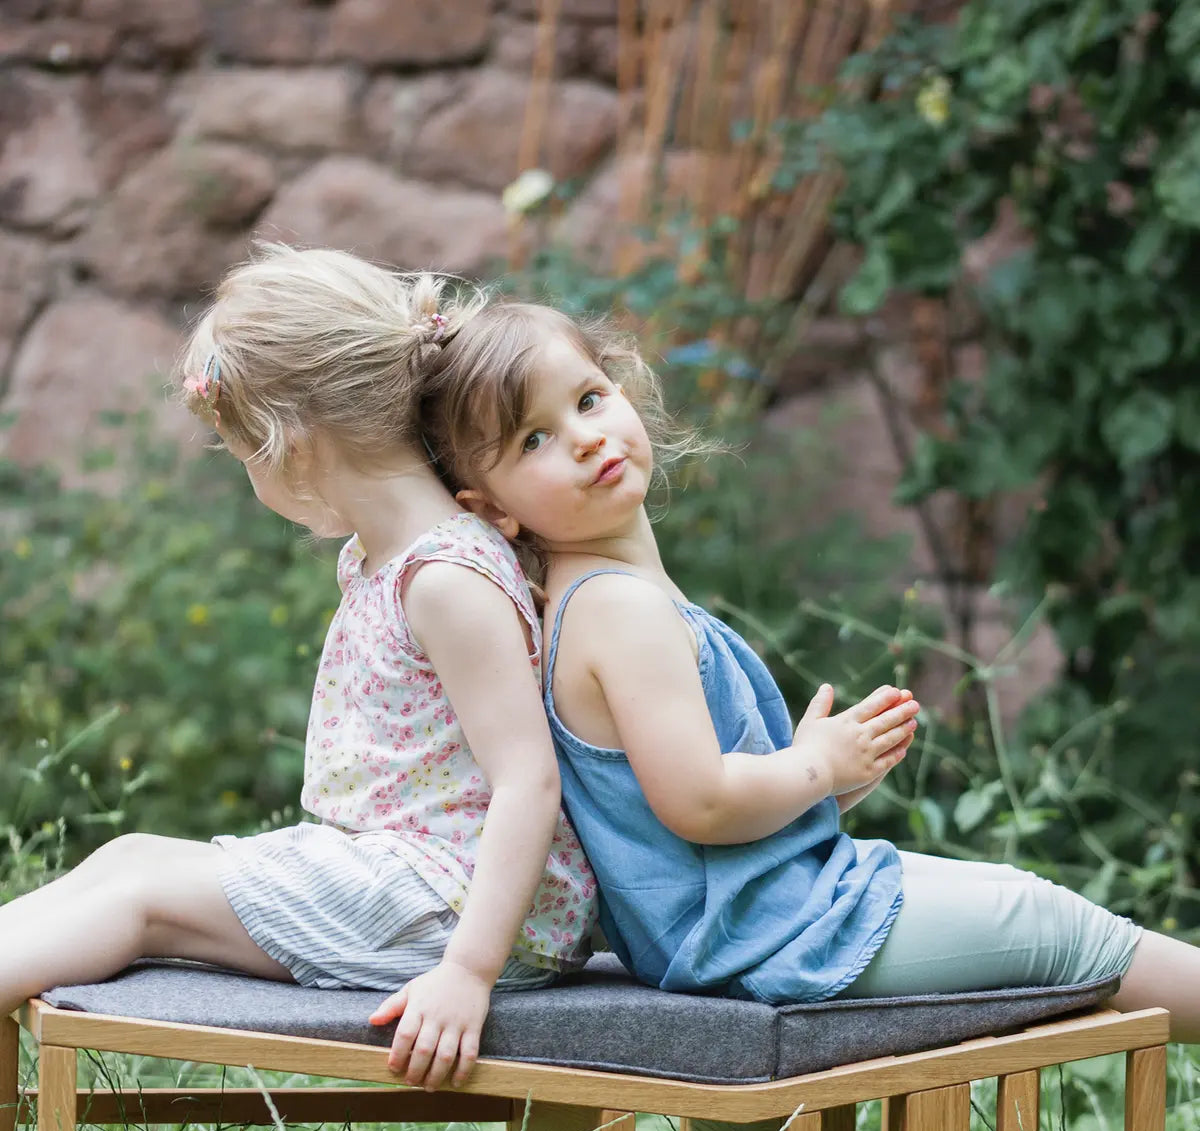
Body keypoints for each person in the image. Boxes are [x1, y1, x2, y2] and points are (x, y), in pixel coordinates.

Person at [418, 298, 1200, 1035]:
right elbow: (700, 806)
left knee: (1017, 900)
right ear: (491, 509)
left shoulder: (607, 594)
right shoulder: (617, 609)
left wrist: (825, 777)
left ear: (621, 390)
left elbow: (680, 821)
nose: (585, 437)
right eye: (534, 440)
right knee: (1055, 926)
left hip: (770, 909)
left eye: (587, 400)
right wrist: (814, 768)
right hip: (761, 933)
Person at [0, 249, 596, 1088]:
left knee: (140, 903)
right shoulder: (381, 557)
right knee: (130, 855)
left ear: (292, 445)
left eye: (240, 451)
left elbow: (529, 781)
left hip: (461, 908)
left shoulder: (447, 579)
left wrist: (469, 971)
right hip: (413, 880)